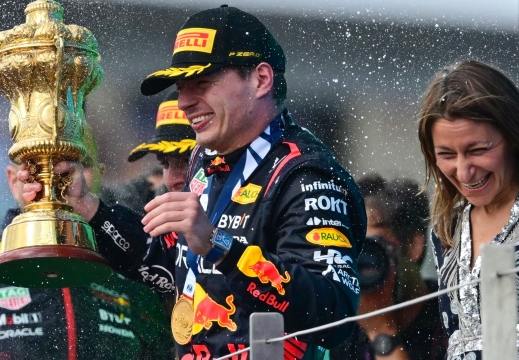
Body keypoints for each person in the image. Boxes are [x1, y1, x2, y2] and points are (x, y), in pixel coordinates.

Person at [21, 6, 366, 360]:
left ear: (261, 80)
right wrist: (89, 209)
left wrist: (218, 244)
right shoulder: (206, 157)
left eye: (203, 83)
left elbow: (335, 313)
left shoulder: (305, 174)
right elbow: (174, 266)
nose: (184, 102)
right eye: (181, 87)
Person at [0, 139, 172, 360]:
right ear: (12, 179)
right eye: (35, 164)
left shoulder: (138, 276)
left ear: (98, 175)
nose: (53, 177)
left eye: (73, 164)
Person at [418, 59, 519, 359]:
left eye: (478, 151)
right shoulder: (446, 228)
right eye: (447, 155)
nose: (464, 172)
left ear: (513, 137)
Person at [329, 174, 447, 360]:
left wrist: (381, 329)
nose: (360, 262)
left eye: (371, 247)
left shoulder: (452, 317)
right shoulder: (338, 326)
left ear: (413, 246)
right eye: (350, 247)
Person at [101, 89, 196, 214]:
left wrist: (209, 233)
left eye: (187, 162)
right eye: (165, 163)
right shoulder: (148, 199)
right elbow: (106, 203)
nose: (171, 180)